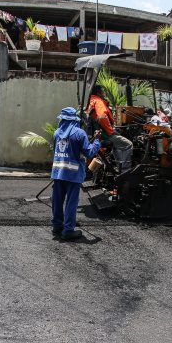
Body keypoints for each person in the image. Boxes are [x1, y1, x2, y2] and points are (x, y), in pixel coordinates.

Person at [51, 107, 102, 241]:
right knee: (71, 202)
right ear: (75, 120)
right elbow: (90, 153)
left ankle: (57, 225)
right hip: (73, 174)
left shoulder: (56, 133)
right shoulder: (79, 133)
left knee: (57, 200)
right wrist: (97, 140)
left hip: (58, 173)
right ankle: (68, 230)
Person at [86, 85, 133, 173]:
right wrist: (111, 131)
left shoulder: (91, 101)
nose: (104, 93)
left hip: (97, 135)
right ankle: (125, 171)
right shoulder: (98, 101)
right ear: (98, 93)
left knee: (117, 145)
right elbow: (102, 117)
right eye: (103, 91)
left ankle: (118, 167)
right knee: (128, 145)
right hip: (104, 135)